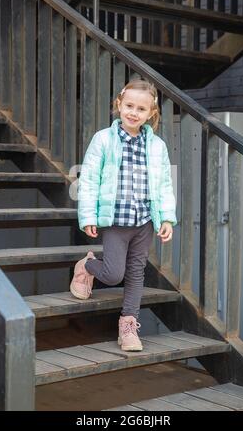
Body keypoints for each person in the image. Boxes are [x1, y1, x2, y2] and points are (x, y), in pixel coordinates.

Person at [71, 79, 177, 352]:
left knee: (135, 272)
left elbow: (165, 184)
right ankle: (87, 266)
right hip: (116, 220)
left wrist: (166, 218)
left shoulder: (157, 146)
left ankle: (128, 325)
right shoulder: (103, 139)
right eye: (129, 105)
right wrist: (88, 216)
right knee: (113, 273)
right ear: (119, 104)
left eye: (141, 109)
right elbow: (90, 179)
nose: (133, 112)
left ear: (151, 114)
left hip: (144, 220)